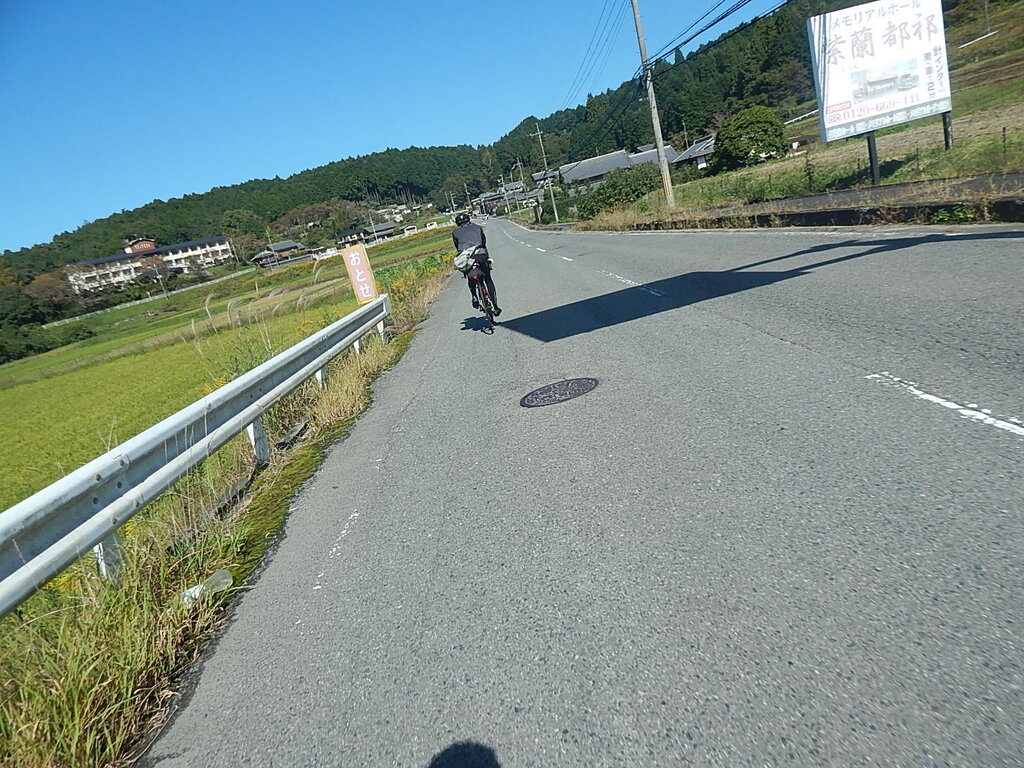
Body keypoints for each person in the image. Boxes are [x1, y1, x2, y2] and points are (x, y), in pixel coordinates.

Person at [452, 212, 501, 316]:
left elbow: (457, 247)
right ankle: (495, 306)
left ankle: (474, 296)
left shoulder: (455, 232)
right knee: (487, 278)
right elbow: (483, 243)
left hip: (467, 257)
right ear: (469, 219)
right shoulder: (478, 228)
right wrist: (487, 257)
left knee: (470, 277)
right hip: (481, 254)